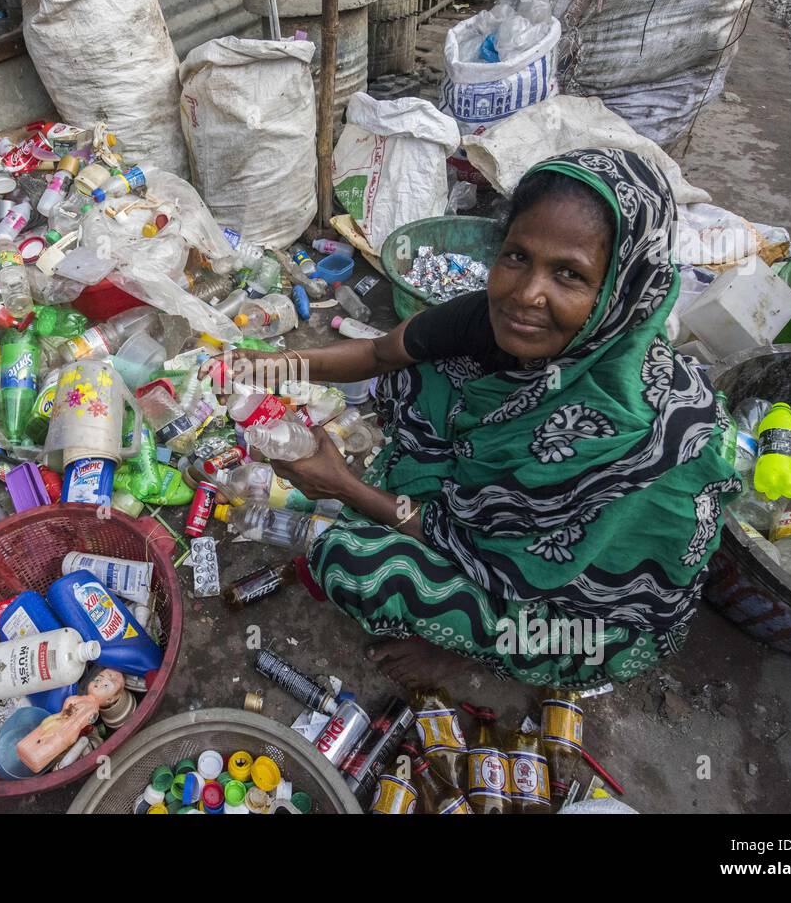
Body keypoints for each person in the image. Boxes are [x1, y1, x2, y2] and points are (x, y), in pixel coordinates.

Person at [210, 148, 740, 689]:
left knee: (360, 565)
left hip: (590, 616)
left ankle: (471, 653)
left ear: (620, 289)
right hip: (504, 535)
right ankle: (456, 507)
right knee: (428, 372)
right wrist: (273, 365)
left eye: (569, 274)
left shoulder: (639, 433)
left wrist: (343, 485)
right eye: (517, 257)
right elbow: (379, 355)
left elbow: (512, 565)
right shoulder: (496, 317)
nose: (526, 294)